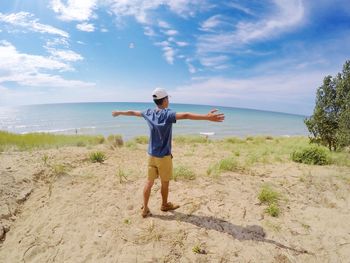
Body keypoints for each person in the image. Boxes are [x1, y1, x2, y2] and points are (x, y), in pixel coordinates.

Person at [112, 88, 225, 218]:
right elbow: (186, 115)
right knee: (165, 183)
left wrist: (119, 112)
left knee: (149, 182)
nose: (169, 101)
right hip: (164, 157)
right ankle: (164, 205)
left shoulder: (149, 113)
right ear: (164, 100)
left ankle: (145, 209)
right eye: (168, 98)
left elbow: (133, 112)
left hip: (151, 155)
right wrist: (206, 117)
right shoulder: (168, 114)